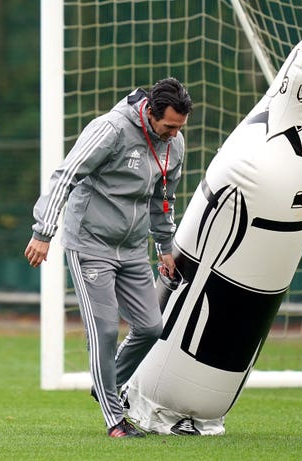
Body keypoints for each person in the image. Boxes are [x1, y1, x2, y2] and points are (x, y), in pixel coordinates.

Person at [24, 77, 193, 438]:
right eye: (169, 126)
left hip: (132, 249)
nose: (174, 134)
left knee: (151, 327)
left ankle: (105, 381)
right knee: (103, 331)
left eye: (180, 127)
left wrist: (165, 247)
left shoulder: (174, 143)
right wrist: (43, 232)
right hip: (90, 245)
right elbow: (65, 176)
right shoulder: (110, 129)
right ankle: (115, 419)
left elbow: (163, 199)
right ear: (150, 113)